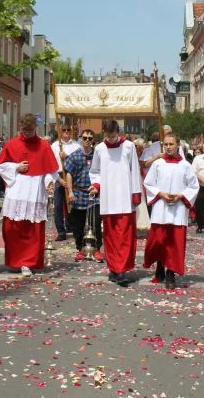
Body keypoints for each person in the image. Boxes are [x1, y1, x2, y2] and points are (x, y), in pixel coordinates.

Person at [0, 114, 59, 276]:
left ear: (35, 128)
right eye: (25, 130)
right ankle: (15, 260)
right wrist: (16, 167)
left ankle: (28, 262)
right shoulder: (12, 144)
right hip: (16, 190)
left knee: (32, 229)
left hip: (34, 191)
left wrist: (48, 182)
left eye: (30, 130)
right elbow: (1, 166)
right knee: (13, 228)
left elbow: (51, 171)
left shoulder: (43, 146)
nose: (28, 133)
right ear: (20, 128)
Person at [143, 133, 200, 289]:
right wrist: (161, 194)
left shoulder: (186, 166)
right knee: (159, 241)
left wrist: (181, 195)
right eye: (166, 144)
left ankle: (170, 274)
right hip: (160, 209)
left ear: (178, 145)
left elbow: (194, 186)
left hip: (178, 210)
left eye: (171, 144)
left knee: (174, 244)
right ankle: (160, 267)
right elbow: (149, 183)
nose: (168, 147)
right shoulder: (158, 164)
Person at [90, 119, 143, 286]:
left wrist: (136, 193)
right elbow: (95, 171)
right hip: (107, 198)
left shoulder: (129, 146)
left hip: (125, 198)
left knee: (124, 236)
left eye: (113, 136)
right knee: (110, 236)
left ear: (118, 132)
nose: (111, 139)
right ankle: (113, 268)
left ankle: (121, 269)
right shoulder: (99, 148)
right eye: (108, 136)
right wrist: (96, 185)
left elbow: (134, 170)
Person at [64, 129, 104, 262]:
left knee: (96, 223)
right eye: (85, 138)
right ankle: (81, 248)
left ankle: (97, 249)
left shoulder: (97, 156)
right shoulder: (74, 156)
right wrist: (70, 192)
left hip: (94, 194)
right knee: (78, 225)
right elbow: (69, 174)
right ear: (81, 138)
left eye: (90, 138)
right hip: (79, 193)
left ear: (93, 140)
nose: (87, 140)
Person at [50, 125, 81, 241]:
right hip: (59, 175)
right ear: (60, 132)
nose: (67, 132)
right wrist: (58, 179)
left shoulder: (77, 145)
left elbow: (78, 162)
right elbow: (51, 164)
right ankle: (61, 231)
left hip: (72, 176)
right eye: (64, 130)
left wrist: (67, 157)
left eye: (69, 130)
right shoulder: (54, 146)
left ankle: (71, 226)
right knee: (58, 205)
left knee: (72, 204)